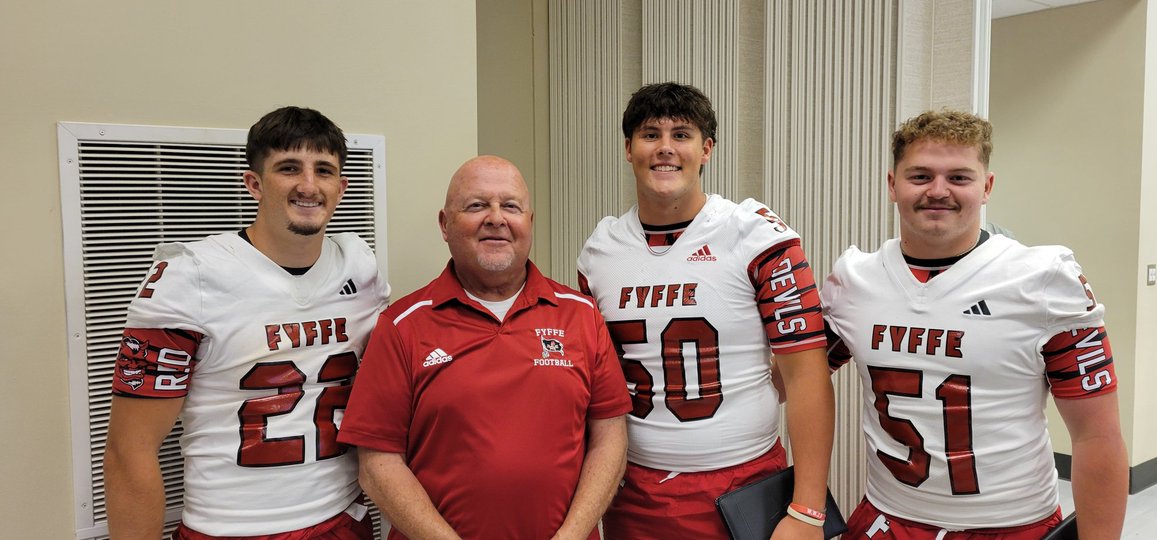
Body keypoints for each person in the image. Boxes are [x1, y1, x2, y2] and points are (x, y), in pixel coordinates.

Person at [822, 110, 1128, 539]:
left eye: (959, 177)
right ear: (892, 184)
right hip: (887, 520)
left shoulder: (1044, 280)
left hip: (1010, 526)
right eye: (920, 176)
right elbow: (795, 379)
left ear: (986, 187)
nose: (938, 191)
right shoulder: (854, 279)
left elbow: (1097, 436)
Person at [103, 106, 391, 539]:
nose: (308, 185)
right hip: (231, 527)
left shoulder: (360, 265)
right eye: (289, 168)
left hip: (343, 517)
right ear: (254, 183)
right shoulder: (190, 275)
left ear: (341, 187)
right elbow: (130, 451)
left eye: (324, 170)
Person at [577, 82, 835, 539]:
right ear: (628, 149)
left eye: (681, 134)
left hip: (743, 482)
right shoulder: (600, 251)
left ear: (706, 149)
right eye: (650, 134)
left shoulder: (755, 235)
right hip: (634, 489)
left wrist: (808, 509)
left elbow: (806, 375)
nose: (665, 148)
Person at [337, 155, 630, 540]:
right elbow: (377, 465)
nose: (496, 218)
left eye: (511, 206)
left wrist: (571, 536)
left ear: (529, 222)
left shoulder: (581, 315)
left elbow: (610, 438)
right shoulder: (402, 326)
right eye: (476, 206)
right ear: (445, 224)